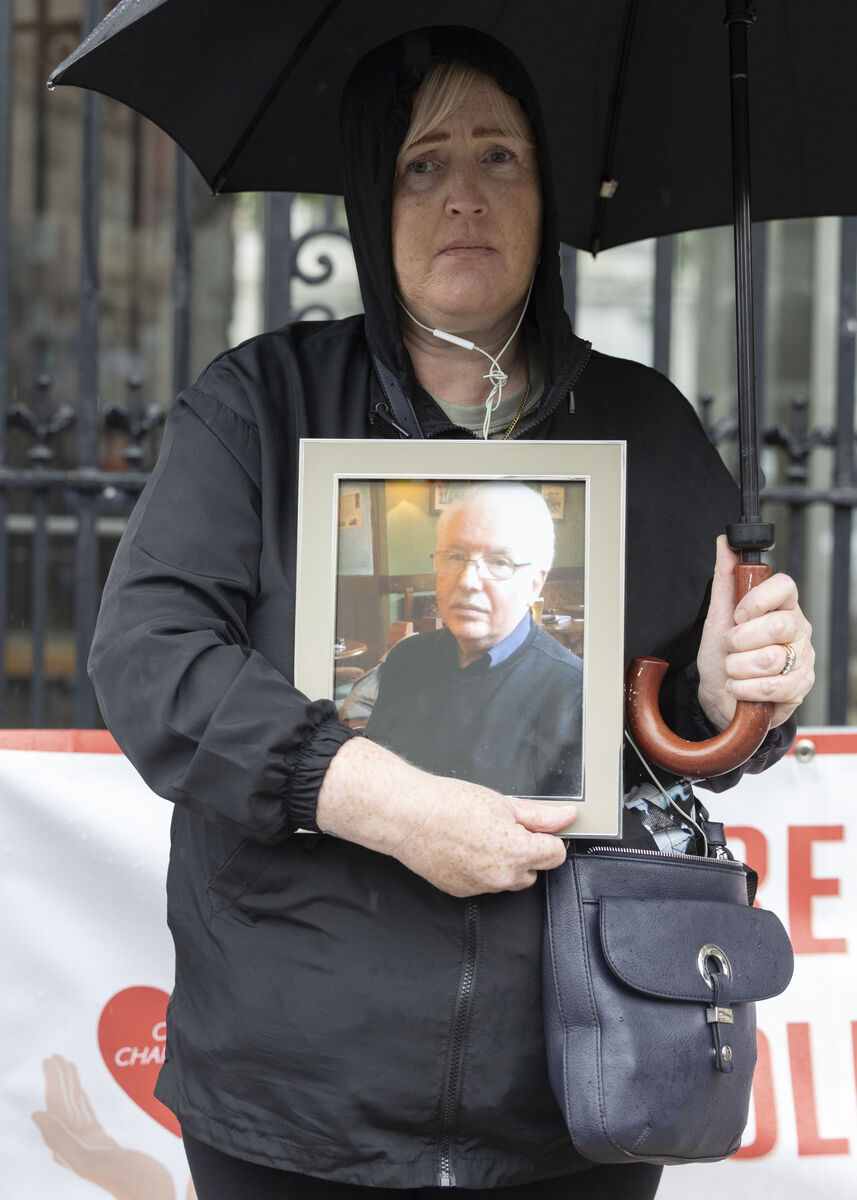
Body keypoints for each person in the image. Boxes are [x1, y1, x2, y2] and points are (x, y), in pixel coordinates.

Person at [87, 25, 815, 1200]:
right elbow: (149, 660)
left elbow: (696, 722)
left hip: (575, 1089)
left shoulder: (645, 427)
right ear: (372, 198)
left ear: (545, 193)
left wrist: (744, 694)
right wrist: (370, 796)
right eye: (422, 164)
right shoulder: (261, 408)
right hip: (296, 1100)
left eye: (499, 158)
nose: (462, 196)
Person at [364, 482, 583, 798]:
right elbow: (374, 781)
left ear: (535, 583)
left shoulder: (573, 691)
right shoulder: (405, 658)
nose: (467, 581)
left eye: (499, 562)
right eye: (454, 555)